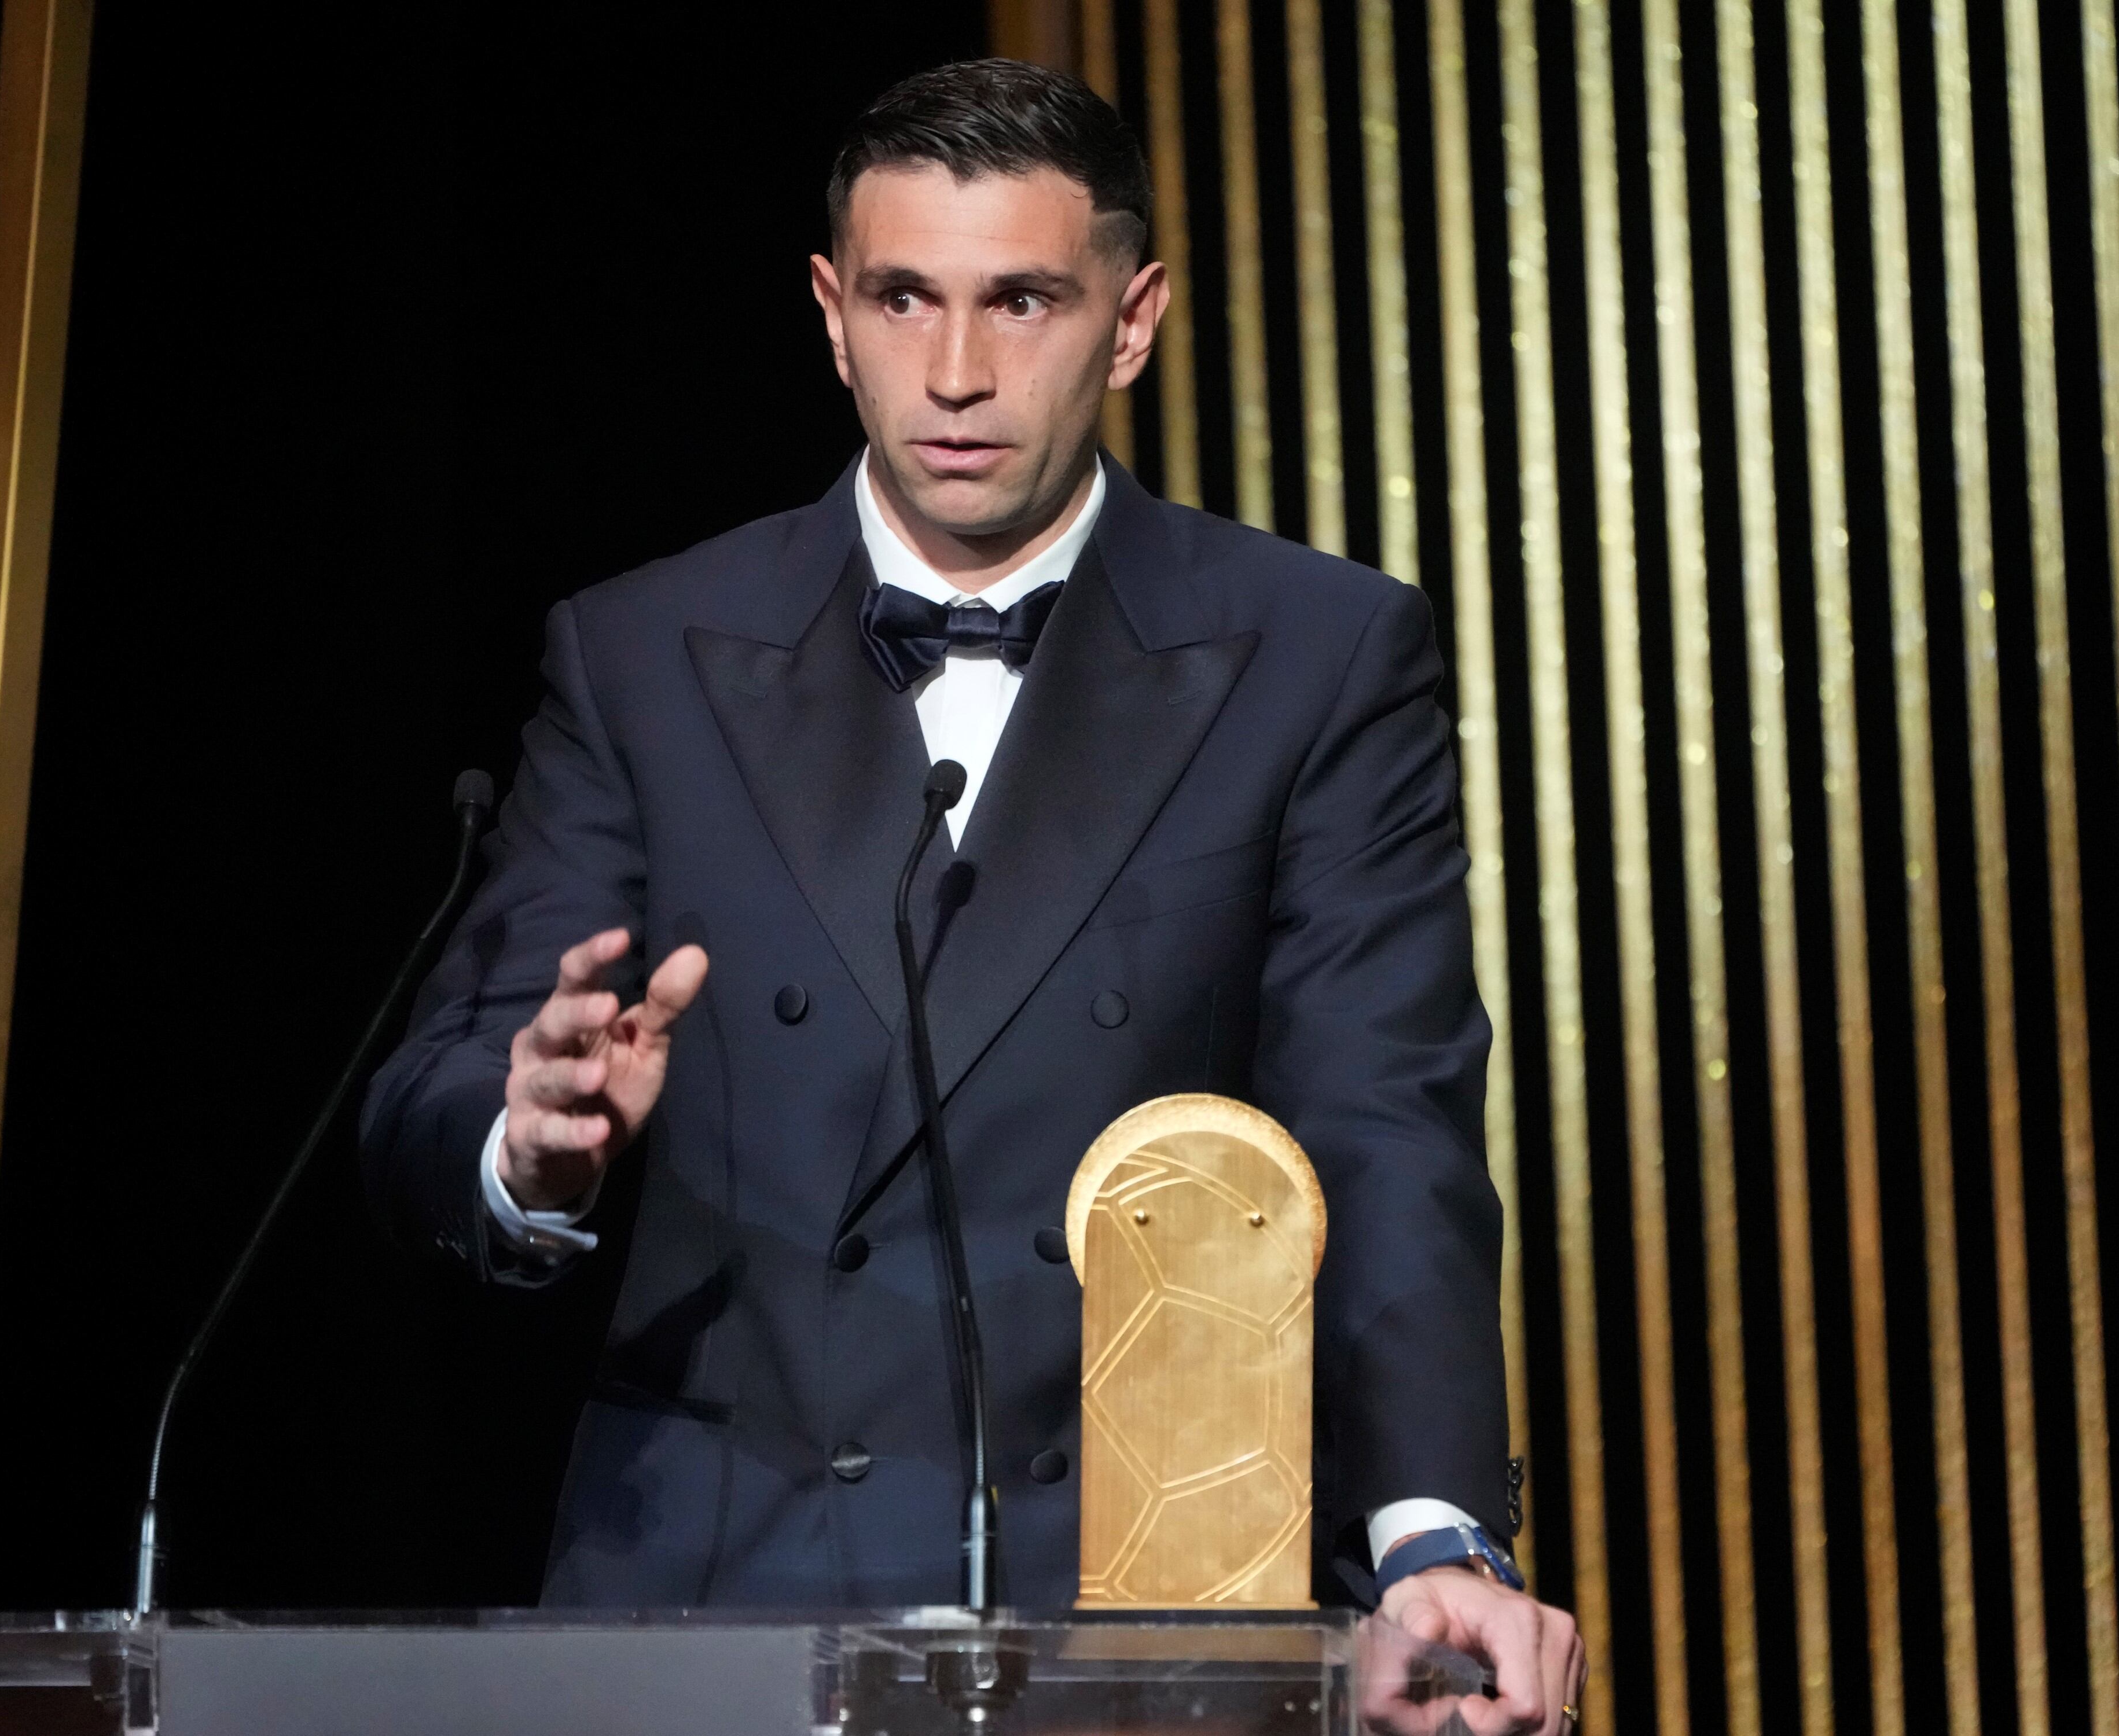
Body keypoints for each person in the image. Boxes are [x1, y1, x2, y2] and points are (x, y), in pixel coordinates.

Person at [361, 57, 1586, 1733]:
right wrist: (532, 1145)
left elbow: (1381, 1120)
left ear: (1131, 320)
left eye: (1021, 302)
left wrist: (1434, 1530)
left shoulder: (1314, 654)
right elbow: (438, 1090)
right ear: (830, 312)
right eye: (903, 299)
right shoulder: (643, 651)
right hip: (717, 1602)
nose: (954, 372)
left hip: (1134, 1597)